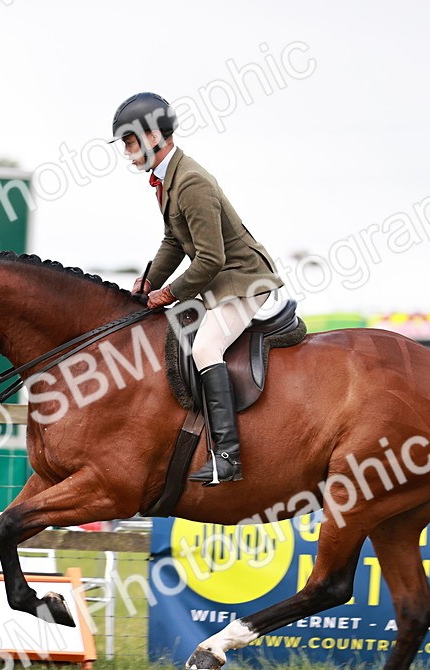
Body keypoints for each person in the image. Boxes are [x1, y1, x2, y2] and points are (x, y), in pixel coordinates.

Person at [111, 92, 284, 484]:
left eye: (130, 141)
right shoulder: (168, 178)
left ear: (154, 135)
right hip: (219, 280)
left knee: (206, 346)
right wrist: (149, 282)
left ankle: (228, 456)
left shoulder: (190, 181)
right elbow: (174, 241)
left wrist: (168, 293)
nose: (127, 152)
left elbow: (211, 260)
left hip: (243, 280)